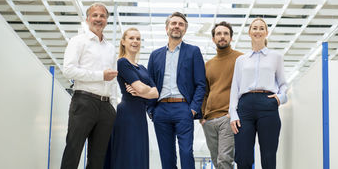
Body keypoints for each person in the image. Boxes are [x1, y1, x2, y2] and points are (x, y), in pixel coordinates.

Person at [61, 2, 118, 169]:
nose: (98, 19)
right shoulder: (78, 41)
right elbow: (68, 70)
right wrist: (100, 76)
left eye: (102, 16)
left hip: (106, 107)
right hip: (84, 101)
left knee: (98, 158)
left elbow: (113, 80)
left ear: (107, 20)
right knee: (73, 150)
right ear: (87, 19)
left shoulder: (110, 48)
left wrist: (113, 106)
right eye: (95, 15)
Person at [147, 12, 206, 169]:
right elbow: (149, 83)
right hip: (161, 109)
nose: (177, 26)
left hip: (183, 108)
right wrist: (151, 109)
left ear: (185, 30)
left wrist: (193, 109)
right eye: (173, 23)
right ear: (167, 28)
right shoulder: (155, 55)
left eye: (181, 24)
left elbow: (201, 84)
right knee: (166, 155)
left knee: (186, 152)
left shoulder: (193, 52)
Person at [229, 17, 287, 169]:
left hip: (268, 104)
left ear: (266, 32)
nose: (258, 31)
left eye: (262, 28)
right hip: (245, 107)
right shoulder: (241, 60)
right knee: (243, 157)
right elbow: (235, 86)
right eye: (254, 28)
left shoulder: (276, 57)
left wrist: (279, 99)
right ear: (249, 32)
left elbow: (283, 84)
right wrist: (233, 114)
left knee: (268, 156)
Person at [104, 28, 159, 169]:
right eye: (131, 38)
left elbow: (156, 93)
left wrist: (142, 92)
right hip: (127, 114)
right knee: (127, 154)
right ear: (123, 42)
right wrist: (146, 91)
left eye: (138, 39)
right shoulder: (122, 63)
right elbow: (144, 89)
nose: (135, 41)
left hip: (140, 115)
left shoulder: (142, 68)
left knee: (138, 154)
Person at [200, 21, 243, 169]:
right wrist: (203, 116)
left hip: (227, 117)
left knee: (225, 159)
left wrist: (234, 113)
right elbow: (204, 92)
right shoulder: (208, 65)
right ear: (213, 39)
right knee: (217, 161)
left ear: (231, 38)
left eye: (226, 33)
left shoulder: (241, 59)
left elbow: (244, 88)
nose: (222, 36)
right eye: (218, 34)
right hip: (209, 120)